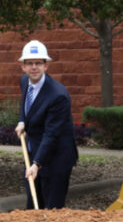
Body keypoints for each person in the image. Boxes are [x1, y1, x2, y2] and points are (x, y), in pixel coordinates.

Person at [14, 40, 78, 209]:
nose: (34, 67)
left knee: (52, 209)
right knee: (33, 205)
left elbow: (52, 134)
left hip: (57, 157)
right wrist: (22, 121)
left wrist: (37, 164)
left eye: (38, 63)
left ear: (46, 66)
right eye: (30, 63)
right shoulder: (24, 82)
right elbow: (25, 105)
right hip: (35, 152)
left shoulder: (58, 96)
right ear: (23, 66)